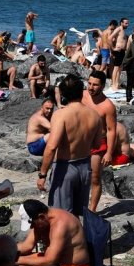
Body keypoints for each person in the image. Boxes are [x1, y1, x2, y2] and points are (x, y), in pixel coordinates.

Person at [37, 74, 102, 215]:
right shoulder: (94, 115)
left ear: (64, 94)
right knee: (79, 213)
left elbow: (52, 147)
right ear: (81, 92)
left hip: (65, 167)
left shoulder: (61, 115)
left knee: (60, 215)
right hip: (85, 167)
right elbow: (97, 144)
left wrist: (42, 175)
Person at [82, 70, 117, 212]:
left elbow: (111, 130)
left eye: (95, 85)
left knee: (95, 178)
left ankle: (92, 210)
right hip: (80, 141)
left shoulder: (108, 106)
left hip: (97, 144)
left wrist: (109, 152)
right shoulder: (82, 95)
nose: (91, 87)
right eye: (89, 83)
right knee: (79, 175)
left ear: (103, 86)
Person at [110, 17, 129, 90]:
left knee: (120, 68)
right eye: (126, 23)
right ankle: (113, 85)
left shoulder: (123, 31)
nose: (127, 25)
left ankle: (117, 84)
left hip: (122, 52)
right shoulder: (119, 29)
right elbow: (110, 38)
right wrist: (113, 49)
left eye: (127, 23)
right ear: (121, 23)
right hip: (118, 51)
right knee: (116, 68)